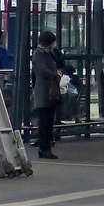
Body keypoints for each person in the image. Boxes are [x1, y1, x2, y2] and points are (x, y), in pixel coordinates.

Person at [31, 31, 60, 160]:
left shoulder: (51, 53)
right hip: (43, 90)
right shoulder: (39, 53)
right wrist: (55, 75)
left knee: (49, 121)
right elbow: (43, 71)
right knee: (45, 121)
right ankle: (44, 148)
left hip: (51, 90)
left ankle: (46, 146)